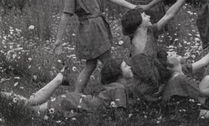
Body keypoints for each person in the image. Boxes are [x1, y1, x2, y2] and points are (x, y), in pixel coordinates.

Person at [54, 0, 136, 93]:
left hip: (99, 27)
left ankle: (76, 95)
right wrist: (58, 41)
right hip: (90, 32)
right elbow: (65, 16)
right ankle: (119, 91)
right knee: (110, 64)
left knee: (90, 65)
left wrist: (132, 6)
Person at [1, 59, 133, 118]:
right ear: (118, 73)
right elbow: (119, 117)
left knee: (29, 106)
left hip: (74, 100)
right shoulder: (119, 89)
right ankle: (4, 97)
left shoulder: (114, 87)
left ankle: (4, 96)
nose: (130, 67)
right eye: (126, 66)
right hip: (71, 102)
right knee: (30, 110)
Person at [121, 0, 198, 57]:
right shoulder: (137, 51)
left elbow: (168, 16)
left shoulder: (149, 31)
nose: (149, 16)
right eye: (145, 16)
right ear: (138, 25)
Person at [161, 48, 209, 120]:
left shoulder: (181, 70)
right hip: (182, 113)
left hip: (188, 105)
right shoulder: (179, 78)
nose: (173, 52)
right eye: (170, 55)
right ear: (168, 67)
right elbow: (202, 92)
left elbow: (203, 61)